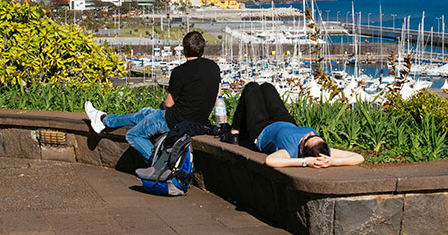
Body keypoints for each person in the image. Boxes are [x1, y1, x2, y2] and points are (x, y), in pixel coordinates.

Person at [84, 30, 220, 163]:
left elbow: (168, 104)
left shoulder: (180, 72)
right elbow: (217, 96)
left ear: (184, 50)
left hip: (174, 121)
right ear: (202, 49)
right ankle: (104, 121)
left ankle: (160, 163)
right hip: (197, 122)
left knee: (133, 135)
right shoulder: (214, 67)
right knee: (145, 112)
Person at [230, 81, 363, 168]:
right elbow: (358, 157)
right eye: (317, 136)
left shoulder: (289, 151)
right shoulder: (322, 150)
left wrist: (305, 162)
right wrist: (334, 161)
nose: (310, 133)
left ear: (301, 150)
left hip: (261, 129)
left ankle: (235, 131)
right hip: (286, 121)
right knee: (267, 87)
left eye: (309, 138)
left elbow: (270, 161)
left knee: (252, 87)